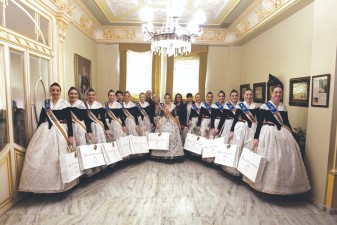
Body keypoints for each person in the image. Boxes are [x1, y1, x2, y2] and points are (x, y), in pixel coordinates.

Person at [244, 86, 310, 194]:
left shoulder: (283, 107)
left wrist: (292, 135)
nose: (278, 94)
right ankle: (264, 185)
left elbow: (286, 122)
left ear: (282, 94)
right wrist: (256, 138)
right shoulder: (265, 106)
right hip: (268, 133)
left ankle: (283, 186)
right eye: (276, 92)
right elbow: (260, 123)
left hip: (282, 134)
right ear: (272, 93)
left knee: (282, 158)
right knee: (269, 157)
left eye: (280, 92)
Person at [19, 82, 78, 193]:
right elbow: (41, 119)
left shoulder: (65, 103)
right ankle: (42, 185)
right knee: (38, 155)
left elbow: (69, 121)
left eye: (57, 90)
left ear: (60, 92)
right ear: (50, 92)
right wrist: (36, 134)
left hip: (61, 131)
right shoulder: (46, 104)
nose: (55, 92)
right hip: (45, 131)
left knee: (59, 157)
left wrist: (71, 136)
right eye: (53, 90)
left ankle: (62, 185)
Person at [222, 89, 259, 176]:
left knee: (248, 148)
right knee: (238, 147)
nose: (249, 96)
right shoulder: (240, 105)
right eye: (247, 94)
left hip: (251, 129)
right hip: (240, 128)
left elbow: (258, 120)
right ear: (244, 95)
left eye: (250, 94)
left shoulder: (256, 106)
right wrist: (231, 131)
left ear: (252, 95)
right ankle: (236, 168)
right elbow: (235, 119)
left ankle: (245, 170)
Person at [150, 93, 184, 160]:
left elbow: (176, 116)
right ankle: (162, 153)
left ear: (170, 99)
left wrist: (179, 124)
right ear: (164, 99)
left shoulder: (174, 106)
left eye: (168, 98)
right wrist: (157, 124)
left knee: (172, 135)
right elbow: (158, 116)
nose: (167, 99)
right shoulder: (161, 106)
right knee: (162, 134)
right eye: (166, 98)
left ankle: (173, 153)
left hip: (172, 123)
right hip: (163, 122)